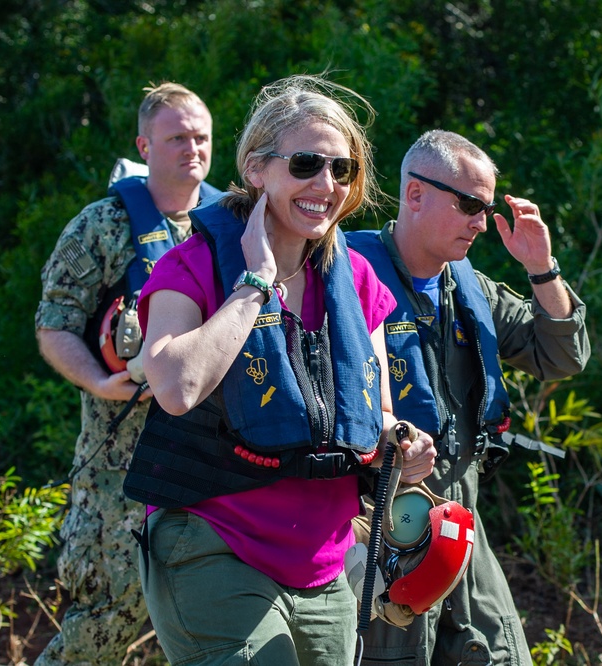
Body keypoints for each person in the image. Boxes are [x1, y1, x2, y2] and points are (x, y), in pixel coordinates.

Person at [121, 74, 437, 666]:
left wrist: (403, 442)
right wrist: (255, 285)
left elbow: (376, 411)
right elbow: (173, 386)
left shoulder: (358, 283)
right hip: (215, 543)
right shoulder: (190, 267)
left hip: (323, 562)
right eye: (307, 165)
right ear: (256, 170)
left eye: (341, 171)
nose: (326, 185)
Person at [344, 129, 591, 666]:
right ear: (414, 195)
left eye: (485, 206)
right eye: (468, 205)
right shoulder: (344, 278)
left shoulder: (471, 288)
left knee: (499, 653)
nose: (481, 222)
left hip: (461, 520)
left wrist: (540, 267)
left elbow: (561, 356)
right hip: (383, 525)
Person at [34, 81, 217, 666]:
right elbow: (55, 324)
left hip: (210, 466)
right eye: (177, 137)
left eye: (202, 137)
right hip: (120, 466)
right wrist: (96, 380)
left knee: (198, 631)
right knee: (101, 628)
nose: (193, 148)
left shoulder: (232, 226)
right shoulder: (103, 226)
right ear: (144, 144)